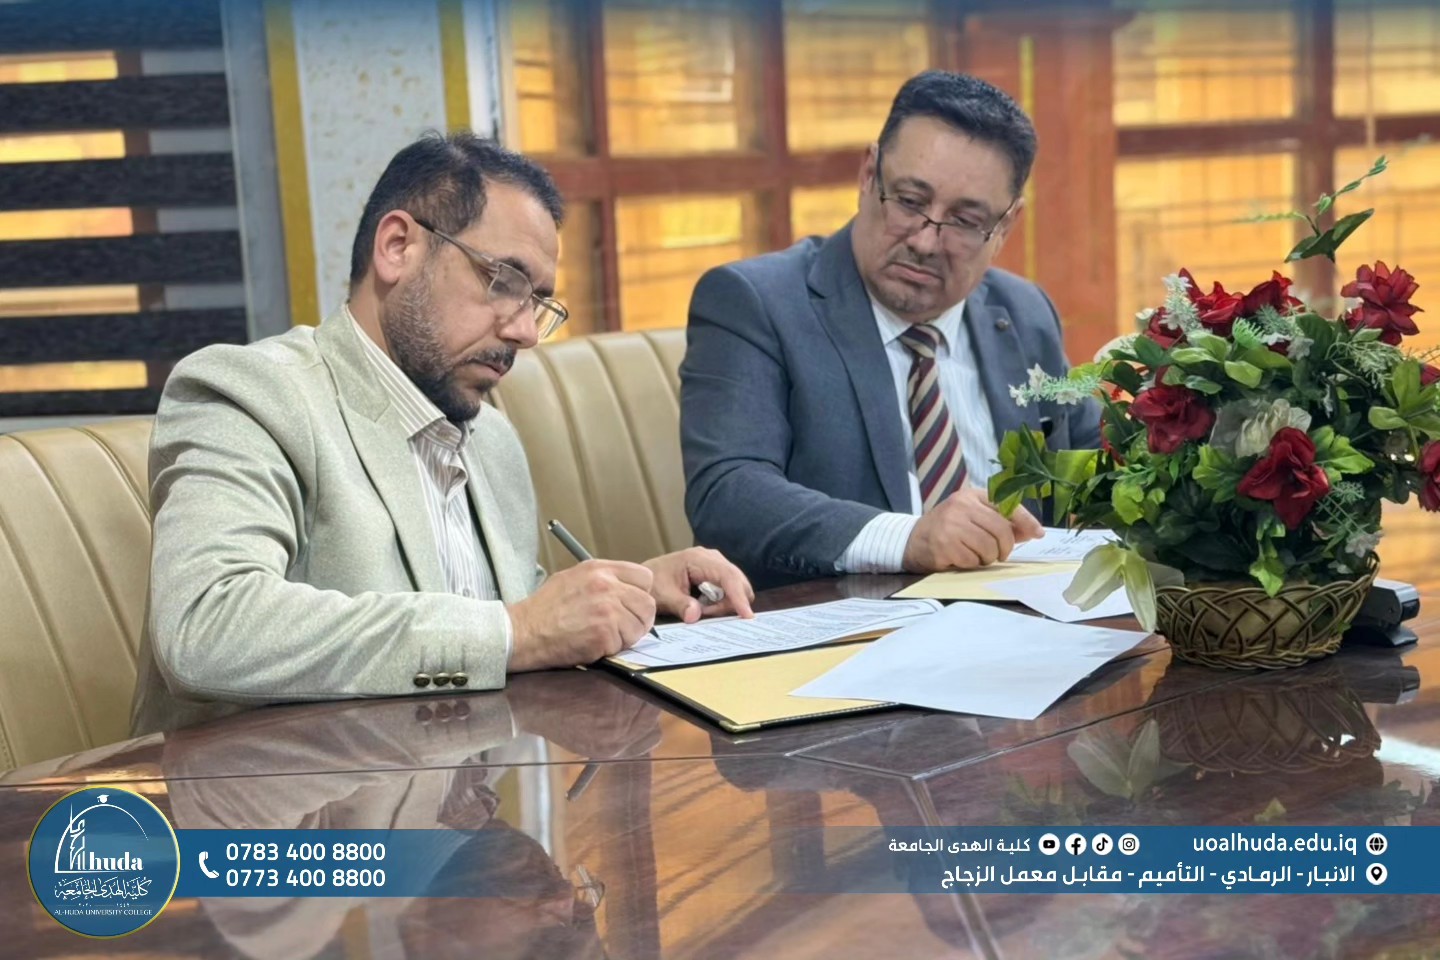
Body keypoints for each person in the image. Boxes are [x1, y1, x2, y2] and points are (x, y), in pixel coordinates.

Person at [131, 132, 753, 736]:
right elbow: (207, 625)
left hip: (471, 795)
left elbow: (505, 611)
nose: (525, 332)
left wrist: (631, 594)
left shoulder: (491, 437)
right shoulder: (252, 392)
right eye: (504, 282)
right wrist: (521, 630)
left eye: (538, 302)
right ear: (397, 247)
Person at [681, 71, 1101, 588]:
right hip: (847, 626)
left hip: (1027, 621)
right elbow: (728, 494)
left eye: (964, 221)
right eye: (909, 201)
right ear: (868, 175)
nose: (925, 241)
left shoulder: (1023, 311)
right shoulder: (756, 303)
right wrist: (910, 539)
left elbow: (1100, 469)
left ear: (1005, 227)